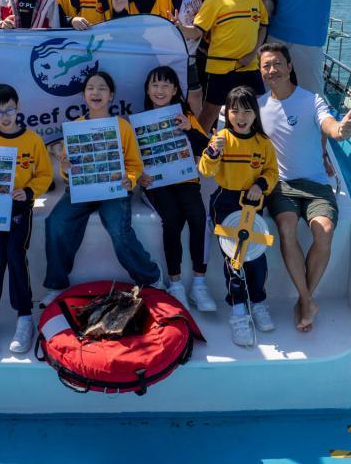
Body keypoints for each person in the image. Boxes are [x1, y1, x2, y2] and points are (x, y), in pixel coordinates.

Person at [257, 43, 351, 332]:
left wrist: (340, 130)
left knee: (324, 230)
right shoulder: (259, 106)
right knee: (287, 228)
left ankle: (305, 299)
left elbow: (329, 125)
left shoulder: (312, 100)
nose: (272, 70)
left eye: (278, 63)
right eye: (266, 65)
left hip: (315, 184)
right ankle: (306, 302)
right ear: (261, 72)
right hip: (281, 185)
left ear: (290, 67)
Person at [43, 71, 162, 302]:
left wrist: (129, 179)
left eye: (102, 88)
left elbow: (134, 165)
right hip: (81, 190)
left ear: (111, 95)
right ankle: (56, 285)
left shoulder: (122, 126)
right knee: (56, 222)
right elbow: (67, 171)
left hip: (113, 190)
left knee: (118, 229)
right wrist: (66, 168)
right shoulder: (75, 127)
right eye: (90, 88)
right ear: (83, 95)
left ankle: (151, 277)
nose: (95, 92)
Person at [0, 82, 54, 354]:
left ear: (18, 108)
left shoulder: (33, 140)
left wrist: (29, 191)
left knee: (16, 254)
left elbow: (44, 175)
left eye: (9, 109)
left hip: (20, 207)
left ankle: (25, 317)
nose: (5, 115)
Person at [197, 86, 280, 346]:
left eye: (246, 111)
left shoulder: (263, 143)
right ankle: (238, 312)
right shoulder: (221, 138)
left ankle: (258, 302)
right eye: (234, 111)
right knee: (234, 260)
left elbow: (272, 172)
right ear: (227, 114)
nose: (241, 117)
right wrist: (213, 151)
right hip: (225, 203)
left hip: (252, 205)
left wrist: (260, 185)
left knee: (256, 258)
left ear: (255, 114)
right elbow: (205, 170)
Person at [138, 65, 215, 312]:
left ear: (175, 90)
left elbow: (206, 148)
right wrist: (138, 176)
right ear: (147, 90)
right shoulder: (139, 121)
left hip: (185, 181)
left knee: (198, 217)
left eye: (166, 85)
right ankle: (176, 283)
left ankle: (199, 283)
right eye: (155, 85)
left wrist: (189, 129)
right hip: (156, 184)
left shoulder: (186, 116)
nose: (159, 90)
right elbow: (132, 157)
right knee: (172, 218)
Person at [179, 0, 270, 132]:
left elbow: (262, 27)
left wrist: (252, 54)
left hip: (250, 66)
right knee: (210, 113)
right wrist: (180, 27)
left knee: (260, 110)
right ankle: (199, 147)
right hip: (220, 69)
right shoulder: (214, 0)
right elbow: (196, 32)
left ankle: (253, 144)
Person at [160, 0, 215, 112]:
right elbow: (159, 29)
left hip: (200, 49)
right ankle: (196, 126)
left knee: (201, 93)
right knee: (191, 95)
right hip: (179, 55)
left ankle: (198, 124)